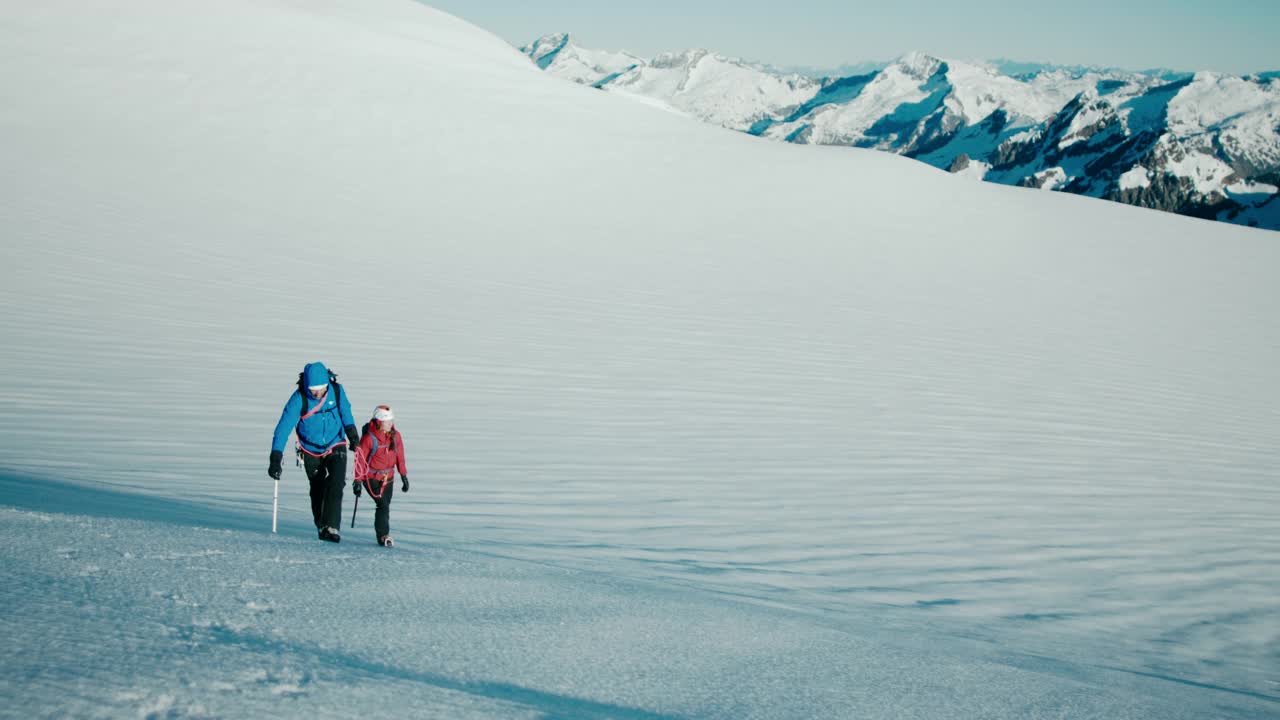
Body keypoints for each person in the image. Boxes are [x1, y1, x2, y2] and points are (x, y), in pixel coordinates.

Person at [268, 362, 359, 542]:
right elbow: (283, 429)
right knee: (317, 487)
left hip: (336, 442)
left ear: (327, 383)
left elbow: (346, 413)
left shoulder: (337, 391)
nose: (317, 393)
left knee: (337, 482)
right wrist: (275, 457)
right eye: (313, 389)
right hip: (310, 449)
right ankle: (321, 523)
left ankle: (331, 527)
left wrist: (353, 436)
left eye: (321, 388)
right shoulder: (299, 399)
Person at [353, 405, 409, 547]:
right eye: (387, 421)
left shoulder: (396, 436)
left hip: (388, 478)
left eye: (391, 420)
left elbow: (400, 456)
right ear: (378, 422)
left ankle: (383, 534)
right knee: (382, 505)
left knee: (385, 505)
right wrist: (357, 481)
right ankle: (384, 536)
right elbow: (360, 460)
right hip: (371, 478)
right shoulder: (369, 439)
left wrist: (403, 475)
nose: (390, 423)